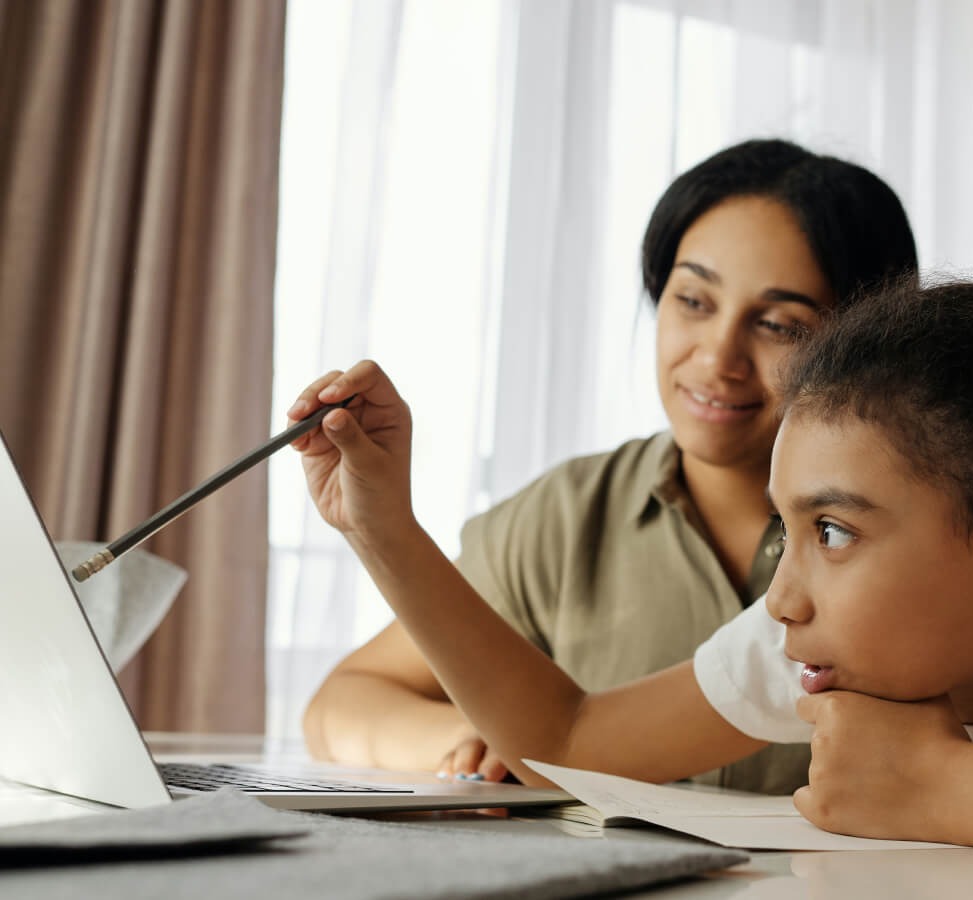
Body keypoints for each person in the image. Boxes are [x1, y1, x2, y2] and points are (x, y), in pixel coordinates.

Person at [289, 280, 973, 881]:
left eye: (832, 530)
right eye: (787, 531)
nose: (781, 596)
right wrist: (382, 527)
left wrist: (935, 788)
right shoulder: (813, 652)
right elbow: (571, 735)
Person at [297, 139, 918, 794]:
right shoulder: (566, 517)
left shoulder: (909, 542)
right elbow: (344, 704)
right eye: (694, 302)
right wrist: (473, 740)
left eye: (778, 324)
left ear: (866, 344)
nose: (717, 359)